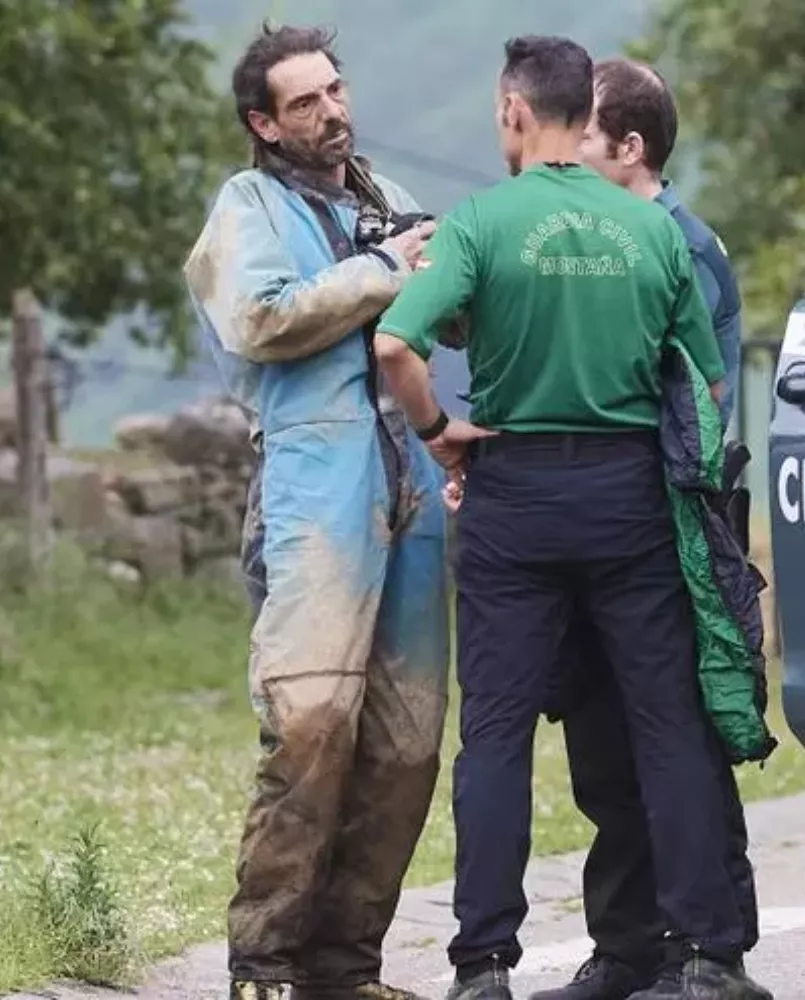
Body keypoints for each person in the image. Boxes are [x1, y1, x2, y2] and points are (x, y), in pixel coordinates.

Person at [371, 35, 765, 1000]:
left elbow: (394, 346)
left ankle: (482, 967)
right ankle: (710, 956)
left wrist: (439, 433)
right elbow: (704, 382)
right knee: (667, 725)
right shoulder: (654, 231)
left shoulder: (478, 225)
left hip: (513, 496)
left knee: (497, 733)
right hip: (631, 498)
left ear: (514, 111)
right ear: (580, 117)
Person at [181, 22, 450, 1000]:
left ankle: (346, 969)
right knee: (311, 723)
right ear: (265, 121)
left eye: (335, 91)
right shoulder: (244, 205)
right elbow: (259, 318)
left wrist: (459, 269)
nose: (332, 111)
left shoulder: (393, 200)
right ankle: (265, 962)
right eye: (306, 102)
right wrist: (389, 272)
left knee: (407, 740)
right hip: (311, 478)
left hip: (410, 483)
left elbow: (453, 303)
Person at [532, 57, 767, 1000]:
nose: (564, 150)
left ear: (630, 148)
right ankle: (628, 946)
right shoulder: (577, 239)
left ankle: (713, 952)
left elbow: (695, 397)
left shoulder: (684, 246)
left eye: (581, 134)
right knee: (600, 744)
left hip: (667, 525)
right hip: (585, 524)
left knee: (682, 741)